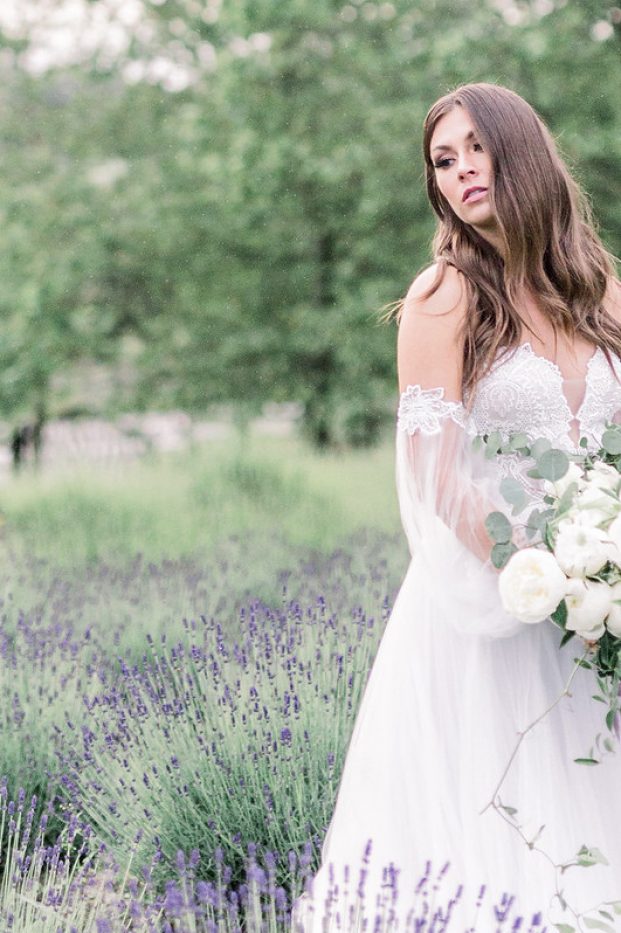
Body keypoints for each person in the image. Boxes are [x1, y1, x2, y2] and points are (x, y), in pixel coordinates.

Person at [291, 83, 621, 931]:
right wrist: (544, 575)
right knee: (505, 828)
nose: (461, 170)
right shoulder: (443, 295)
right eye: (443, 160)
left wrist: (606, 571)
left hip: (604, 602)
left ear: (523, 152)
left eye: (476, 147)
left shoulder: (600, 289)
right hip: (499, 601)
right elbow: (434, 468)